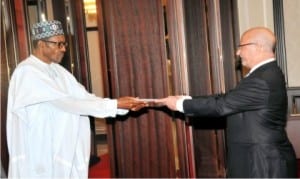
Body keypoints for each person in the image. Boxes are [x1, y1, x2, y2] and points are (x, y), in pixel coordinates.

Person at [6, 20, 147, 178]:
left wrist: (120, 107)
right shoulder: (27, 72)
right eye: (58, 44)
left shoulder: (59, 71)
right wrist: (114, 104)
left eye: (64, 44)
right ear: (41, 44)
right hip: (40, 149)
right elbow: (67, 103)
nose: (64, 49)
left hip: (59, 146)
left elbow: (84, 98)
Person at [155, 27, 297, 178]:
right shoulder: (267, 73)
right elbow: (227, 98)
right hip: (260, 160)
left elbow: (222, 105)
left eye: (241, 47)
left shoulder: (262, 78)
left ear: (259, 47)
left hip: (263, 164)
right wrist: (186, 99)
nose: (238, 53)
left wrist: (179, 105)